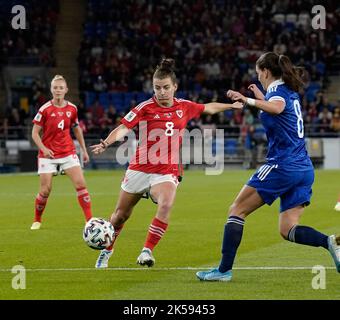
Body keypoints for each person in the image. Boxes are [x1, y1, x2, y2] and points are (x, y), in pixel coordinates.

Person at [196, 52, 340, 282]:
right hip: (303, 168)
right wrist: (256, 95)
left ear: (264, 71)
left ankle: (223, 271)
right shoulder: (287, 90)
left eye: (258, 73)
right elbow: (276, 109)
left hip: (283, 165)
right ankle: (329, 242)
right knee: (287, 229)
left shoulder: (278, 92)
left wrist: (248, 100)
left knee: (236, 210)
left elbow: (277, 108)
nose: (258, 76)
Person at [90, 58, 243, 268]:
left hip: (166, 170)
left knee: (166, 203)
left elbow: (208, 107)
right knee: (119, 216)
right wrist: (106, 143)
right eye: (157, 88)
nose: (161, 92)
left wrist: (231, 106)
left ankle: (146, 251)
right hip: (140, 167)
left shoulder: (184, 106)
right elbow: (124, 127)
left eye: (165, 88)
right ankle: (107, 250)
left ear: (175, 87)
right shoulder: (145, 107)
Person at [30, 75, 93, 230]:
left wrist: (83, 150)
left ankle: (89, 220)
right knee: (45, 191)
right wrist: (44, 149)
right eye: (55, 88)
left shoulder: (72, 108)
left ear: (66, 90)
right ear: (51, 90)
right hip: (48, 154)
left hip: (67, 151)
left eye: (60, 88)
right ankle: (37, 220)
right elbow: (34, 133)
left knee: (81, 184)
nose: (58, 90)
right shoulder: (44, 109)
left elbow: (77, 129)